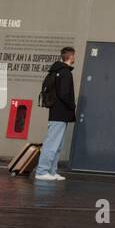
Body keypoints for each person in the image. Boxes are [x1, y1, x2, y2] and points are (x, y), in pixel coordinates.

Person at [35, 46, 77, 182]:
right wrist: (72, 105)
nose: (75, 58)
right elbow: (65, 94)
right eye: (74, 56)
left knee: (57, 145)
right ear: (70, 57)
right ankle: (42, 171)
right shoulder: (65, 72)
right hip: (60, 112)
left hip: (58, 112)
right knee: (52, 143)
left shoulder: (57, 70)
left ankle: (52, 171)